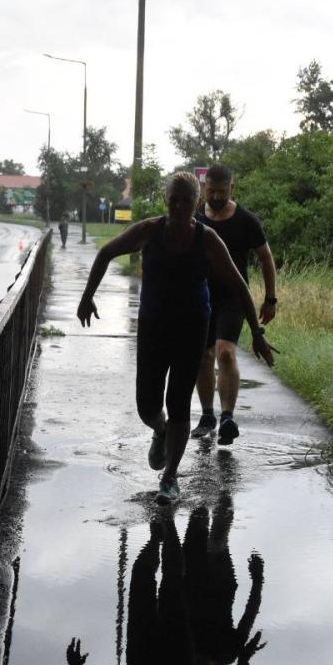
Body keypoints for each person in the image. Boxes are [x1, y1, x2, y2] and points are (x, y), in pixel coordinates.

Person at [77, 172, 276, 504]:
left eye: (187, 200)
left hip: (192, 328)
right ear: (164, 199)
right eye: (174, 200)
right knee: (147, 407)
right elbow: (106, 253)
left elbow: (240, 285)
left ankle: (170, 478)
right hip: (154, 328)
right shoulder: (149, 231)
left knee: (179, 401)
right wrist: (87, 297)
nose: (181, 206)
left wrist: (256, 332)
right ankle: (160, 429)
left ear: (197, 202)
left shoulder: (208, 239)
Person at [65, 509, 265, 665]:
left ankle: (159, 534)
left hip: (148, 657)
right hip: (171, 657)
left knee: (151, 577)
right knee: (167, 581)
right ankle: (165, 523)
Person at [191, 165, 277, 445]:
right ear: (204, 188)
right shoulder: (194, 219)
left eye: (221, 191)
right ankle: (207, 416)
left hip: (233, 298)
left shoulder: (246, 221)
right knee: (202, 358)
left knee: (225, 352)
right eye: (210, 190)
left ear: (232, 188)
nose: (215, 196)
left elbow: (266, 259)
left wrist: (270, 298)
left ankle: (227, 416)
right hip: (200, 297)